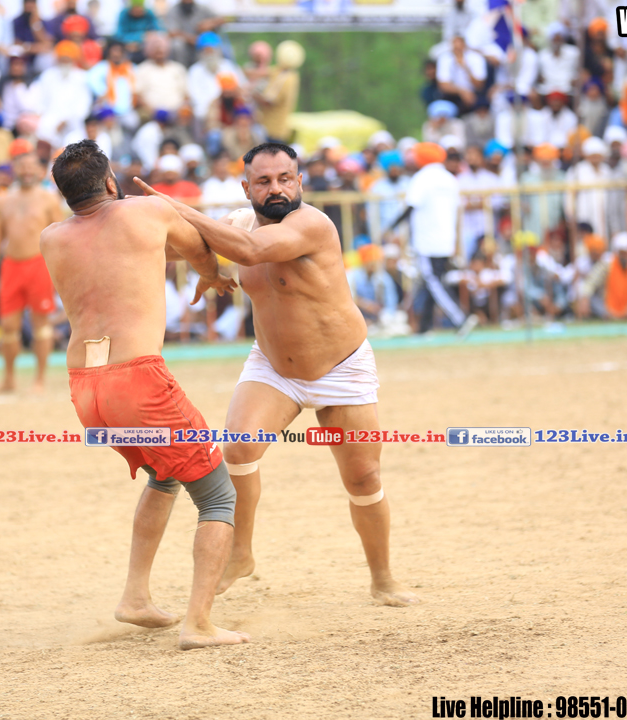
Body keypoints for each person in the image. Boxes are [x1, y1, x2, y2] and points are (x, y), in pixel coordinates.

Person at [136, 142, 420, 608]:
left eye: (285, 179)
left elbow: (250, 252)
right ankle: (241, 554)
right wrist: (181, 250)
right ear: (246, 187)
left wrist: (173, 206)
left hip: (341, 366)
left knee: (364, 477)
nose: (276, 189)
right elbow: (188, 244)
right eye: (264, 181)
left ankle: (383, 578)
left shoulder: (312, 224)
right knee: (238, 447)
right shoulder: (236, 223)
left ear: (299, 181)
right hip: (273, 365)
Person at [40, 139, 245, 650]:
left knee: (164, 472)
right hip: (137, 379)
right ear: (111, 182)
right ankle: (199, 623)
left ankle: (135, 597)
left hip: (86, 390)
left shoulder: (52, 239)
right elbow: (196, 245)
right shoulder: (148, 212)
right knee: (219, 496)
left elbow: (121, 249)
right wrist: (211, 276)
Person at [0, 151, 63, 393]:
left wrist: (60, 270)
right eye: (22, 166)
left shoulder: (48, 199)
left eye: (30, 166)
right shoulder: (4, 201)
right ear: (14, 169)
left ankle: (40, 379)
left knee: (41, 324)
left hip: (38, 264)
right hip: (11, 266)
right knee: (8, 326)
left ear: (39, 170)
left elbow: (59, 236)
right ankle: (9, 379)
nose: (26, 171)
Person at [390, 142, 474, 335]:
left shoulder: (421, 178)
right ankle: (424, 327)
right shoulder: (449, 178)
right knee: (432, 282)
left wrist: (392, 228)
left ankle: (460, 318)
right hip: (446, 238)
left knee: (433, 281)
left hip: (427, 240)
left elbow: (411, 207)